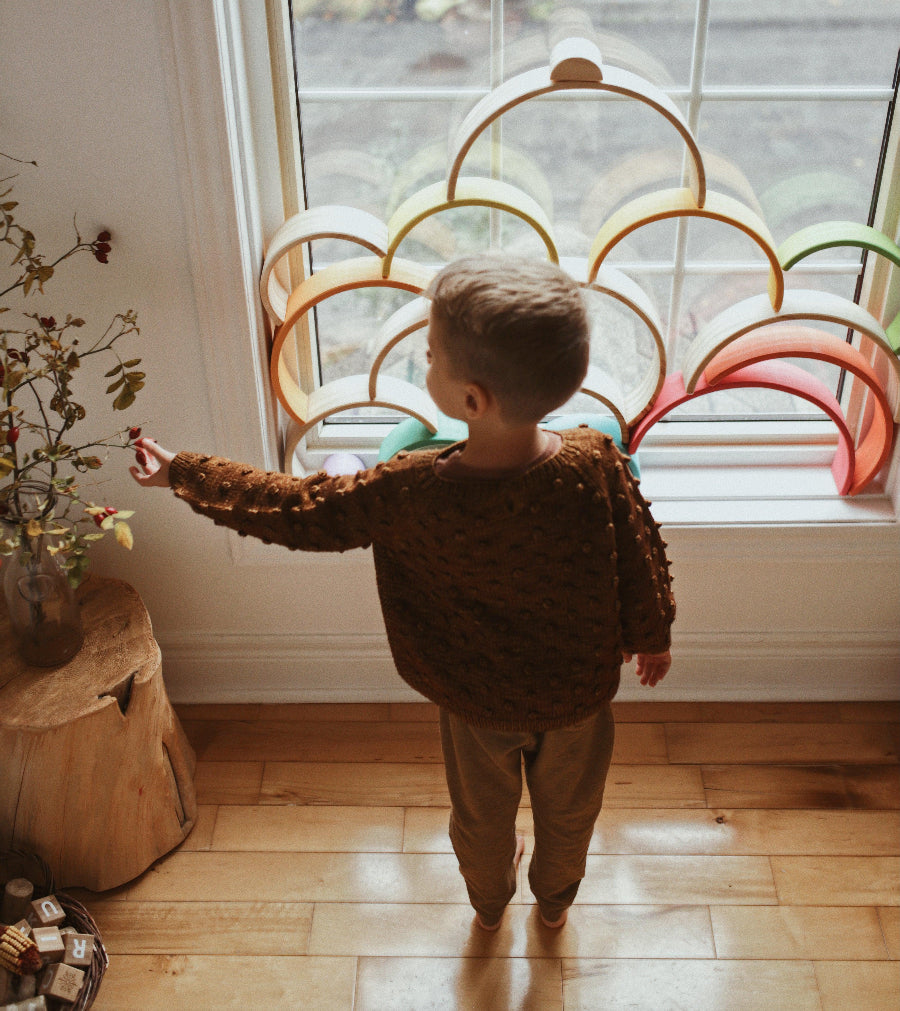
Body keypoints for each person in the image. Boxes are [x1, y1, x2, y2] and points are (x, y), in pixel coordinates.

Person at [130, 254, 675, 931]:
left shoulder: (407, 489)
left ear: (472, 399)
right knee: (572, 812)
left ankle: (488, 903)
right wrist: (652, 634)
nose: (424, 364)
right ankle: (555, 903)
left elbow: (296, 509)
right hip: (580, 698)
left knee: (480, 816)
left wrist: (182, 471)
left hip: (475, 702)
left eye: (430, 356)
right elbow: (638, 548)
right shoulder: (594, 461)